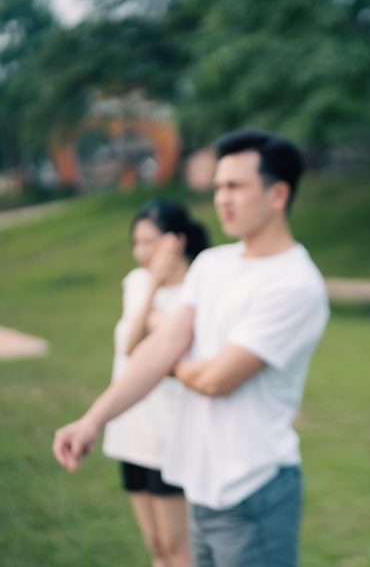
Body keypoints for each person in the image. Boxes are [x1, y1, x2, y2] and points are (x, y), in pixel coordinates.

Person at [53, 129, 330, 567]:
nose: (222, 199)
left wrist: (174, 360)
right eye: (218, 187)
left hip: (254, 492)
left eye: (235, 186)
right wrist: (92, 420)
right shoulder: (211, 264)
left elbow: (217, 380)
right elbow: (159, 347)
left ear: (278, 194)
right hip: (198, 486)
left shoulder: (295, 283)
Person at [102, 199, 208, 567]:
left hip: (171, 434)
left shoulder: (197, 291)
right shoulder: (136, 283)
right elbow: (132, 344)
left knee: (179, 549)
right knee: (157, 546)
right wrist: (152, 290)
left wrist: (156, 295)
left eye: (150, 242)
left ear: (176, 240)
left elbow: (135, 347)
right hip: (131, 430)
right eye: (137, 242)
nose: (141, 252)